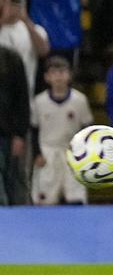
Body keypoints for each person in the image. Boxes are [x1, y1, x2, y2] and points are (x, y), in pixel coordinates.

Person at [29, 57, 91, 205]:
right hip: (48, 152)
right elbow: (34, 129)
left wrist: (84, 153)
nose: (58, 76)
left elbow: (87, 129)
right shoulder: (39, 101)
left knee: (75, 197)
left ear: (69, 75)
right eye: (53, 73)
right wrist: (37, 153)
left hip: (72, 152)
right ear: (47, 77)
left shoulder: (79, 100)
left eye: (62, 72)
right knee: (45, 199)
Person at [0, 43, 28, 206]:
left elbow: (21, 99)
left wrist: (19, 134)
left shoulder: (11, 59)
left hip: (6, 135)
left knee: (9, 185)